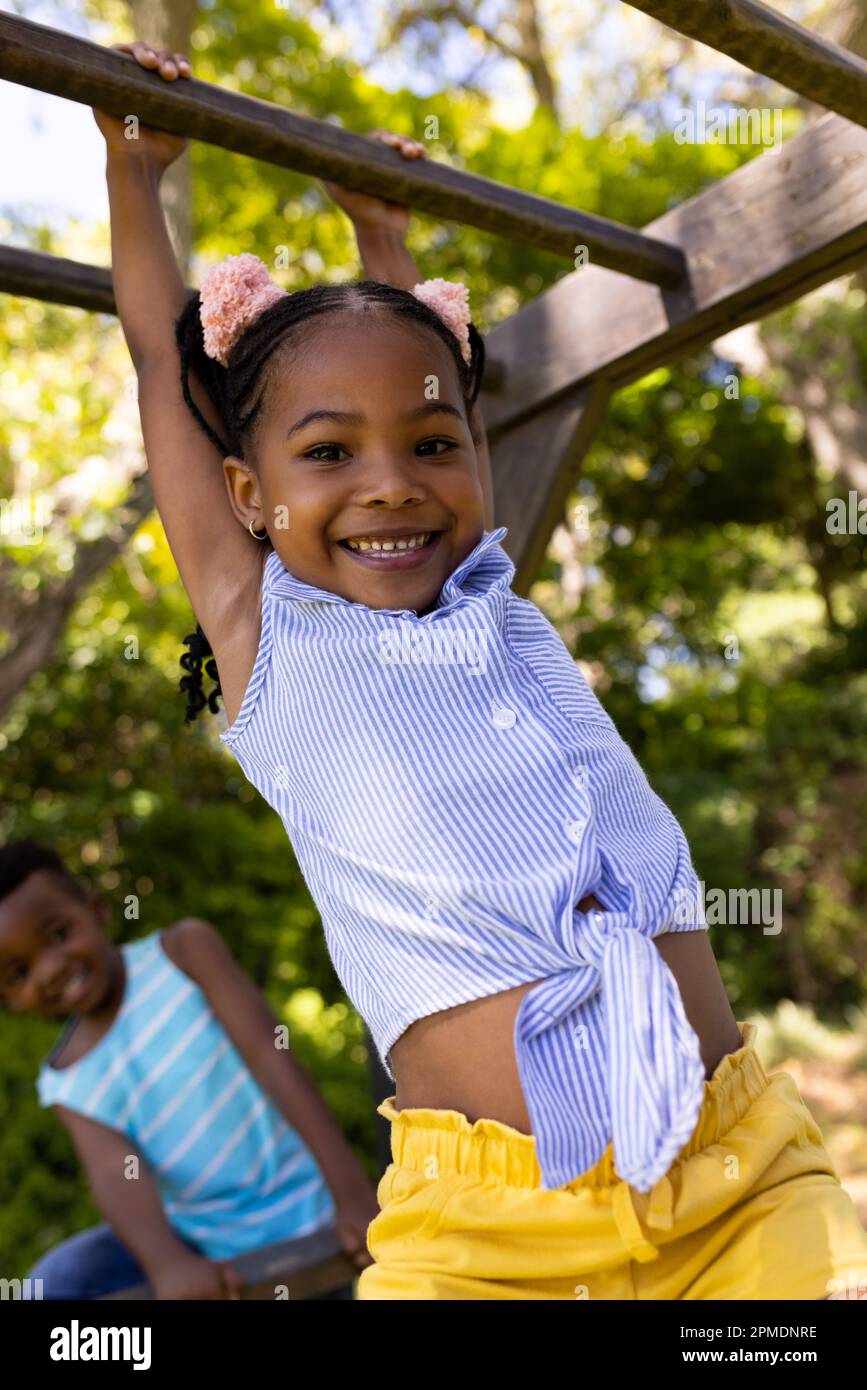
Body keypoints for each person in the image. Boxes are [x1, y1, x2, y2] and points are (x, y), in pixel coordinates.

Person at [91, 40, 867, 1300]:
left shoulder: (494, 594)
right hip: (487, 1230)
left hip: (735, 1176)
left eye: (432, 446)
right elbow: (154, 356)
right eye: (327, 454)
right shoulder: (268, 637)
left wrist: (383, 234)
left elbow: (431, 374)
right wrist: (137, 169)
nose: (391, 482)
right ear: (245, 494)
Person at [0, 840, 375, 1299]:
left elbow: (270, 1055)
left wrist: (352, 1194)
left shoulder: (182, 953)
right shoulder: (68, 1079)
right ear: (9, 1000)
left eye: (59, 935)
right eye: (19, 974)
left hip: (313, 1214)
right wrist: (168, 1262)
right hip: (210, 1248)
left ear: (96, 911)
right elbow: (116, 1174)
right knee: (48, 1284)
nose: (50, 970)